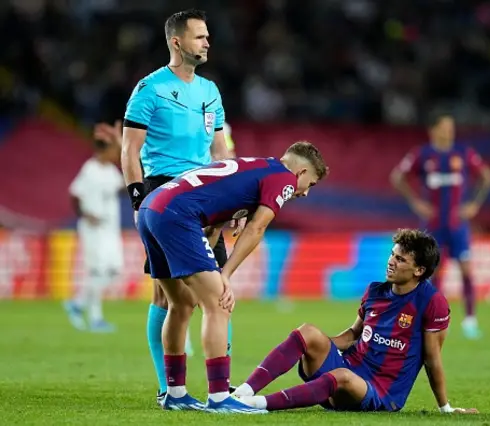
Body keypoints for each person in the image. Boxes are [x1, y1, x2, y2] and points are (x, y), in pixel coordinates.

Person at [136, 142, 328, 412]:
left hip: (152, 208)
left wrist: (214, 270)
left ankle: (175, 394)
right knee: (219, 304)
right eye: (311, 183)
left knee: (180, 304)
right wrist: (224, 275)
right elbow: (257, 228)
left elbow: (213, 226)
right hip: (177, 214)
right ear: (302, 171)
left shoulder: (255, 167)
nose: (306, 192)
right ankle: (218, 397)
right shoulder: (284, 178)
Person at [120, 9, 236, 404]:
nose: (207, 42)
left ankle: (220, 382)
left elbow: (220, 151)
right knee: (167, 298)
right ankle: (167, 386)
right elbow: (129, 149)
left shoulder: (210, 91)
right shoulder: (149, 88)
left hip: (204, 193)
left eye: (207, 36)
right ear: (177, 41)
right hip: (164, 191)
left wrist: (231, 196)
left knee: (218, 291)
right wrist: (138, 198)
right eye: (200, 36)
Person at [232, 229, 477, 414]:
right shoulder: (375, 291)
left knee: (343, 376)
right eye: (392, 255)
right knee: (307, 332)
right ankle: (243, 392)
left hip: (381, 391)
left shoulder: (431, 301)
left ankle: (255, 405)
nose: (391, 261)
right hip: (349, 368)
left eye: (401, 259)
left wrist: (444, 407)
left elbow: (432, 358)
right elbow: (352, 334)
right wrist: (316, 345)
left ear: (419, 270)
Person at [390, 112, 490, 339]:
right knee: (432, 274)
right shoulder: (423, 155)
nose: (450, 131)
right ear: (433, 129)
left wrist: (474, 204)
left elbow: (487, 176)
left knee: (466, 270)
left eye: (451, 127)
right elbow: (397, 177)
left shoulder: (464, 154)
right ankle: (428, 320)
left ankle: (470, 320)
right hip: (433, 226)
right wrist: (416, 202)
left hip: (458, 225)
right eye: (446, 127)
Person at [64, 121, 124, 332]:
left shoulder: (110, 171)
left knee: (114, 270)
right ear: (104, 149)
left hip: (110, 228)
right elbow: (74, 194)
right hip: (93, 228)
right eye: (114, 149)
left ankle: (78, 304)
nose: (116, 153)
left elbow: (126, 186)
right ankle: (96, 318)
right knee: (97, 271)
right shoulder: (90, 169)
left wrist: (121, 144)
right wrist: (85, 214)